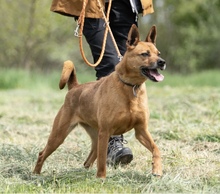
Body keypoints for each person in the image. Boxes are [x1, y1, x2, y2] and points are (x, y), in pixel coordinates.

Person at [50, 0, 154, 166]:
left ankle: (127, 119)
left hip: (126, 4)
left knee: (128, 61)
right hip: (92, 4)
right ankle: (113, 141)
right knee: (111, 63)